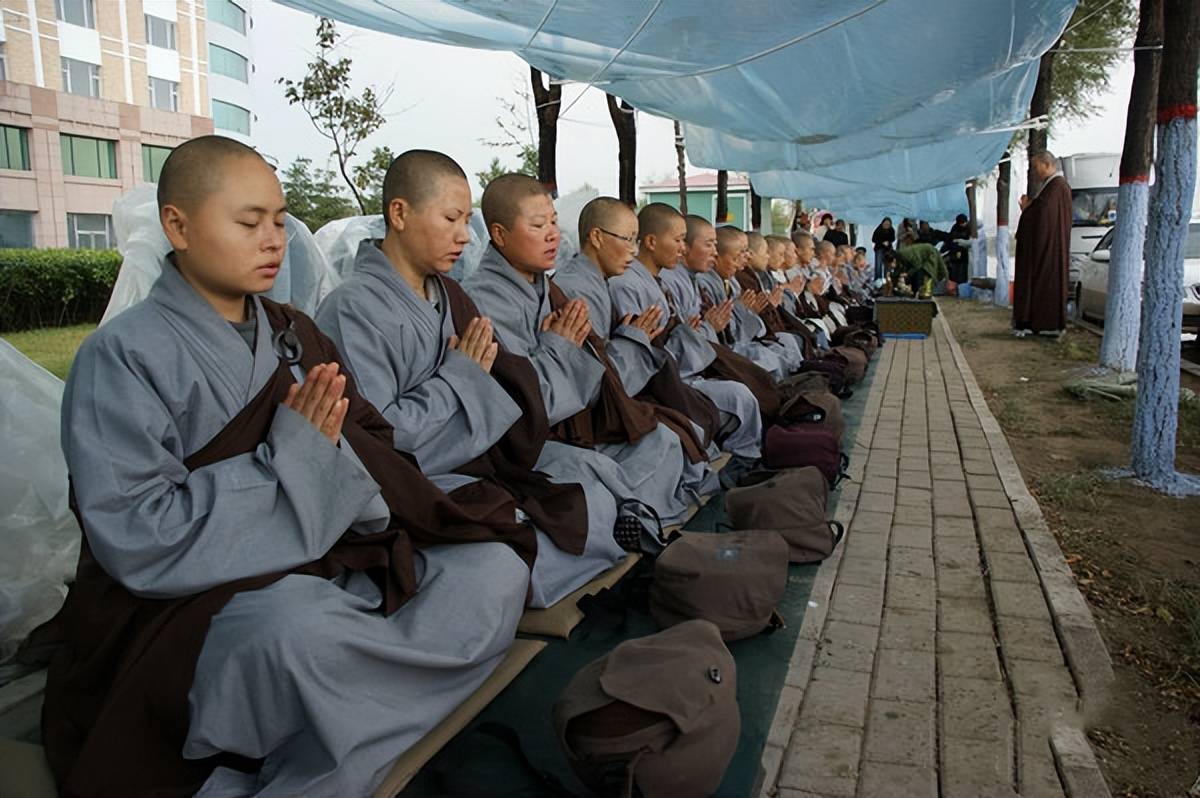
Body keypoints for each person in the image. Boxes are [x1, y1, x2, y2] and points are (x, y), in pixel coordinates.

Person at [41, 136, 534, 797]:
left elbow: (375, 446)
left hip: (331, 549)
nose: (273, 239)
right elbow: (138, 535)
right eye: (249, 222)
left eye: (278, 220)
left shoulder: (294, 333)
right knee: (299, 636)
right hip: (197, 597)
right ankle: (343, 737)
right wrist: (294, 461)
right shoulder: (122, 357)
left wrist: (338, 471)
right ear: (177, 225)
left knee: (492, 567)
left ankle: (348, 722)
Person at [314, 150, 626, 609]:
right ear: (399, 213)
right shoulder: (351, 309)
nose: (464, 236)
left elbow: (506, 388)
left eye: (466, 220)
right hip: (414, 485)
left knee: (596, 488)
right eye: (450, 219)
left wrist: (481, 378)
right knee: (510, 555)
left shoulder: (450, 295)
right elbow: (382, 442)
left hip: (478, 459)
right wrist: (461, 378)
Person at [462, 175, 710, 528]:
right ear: (499, 235)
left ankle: (641, 522)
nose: (553, 234)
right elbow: (526, 401)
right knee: (614, 469)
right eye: (538, 225)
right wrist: (563, 348)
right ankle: (638, 524)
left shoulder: (544, 288)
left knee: (668, 435)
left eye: (552, 222)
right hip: (525, 443)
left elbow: (590, 364)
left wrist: (629, 338)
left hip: (573, 417)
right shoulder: (486, 300)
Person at [552, 196, 724, 451]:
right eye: (628, 239)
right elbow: (593, 381)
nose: (634, 249)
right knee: (673, 438)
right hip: (586, 418)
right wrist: (635, 339)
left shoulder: (600, 280)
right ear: (597, 237)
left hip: (629, 389)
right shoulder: (577, 290)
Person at [613, 207, 770, 456]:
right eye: (678, 240)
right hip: (660, 384)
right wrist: (702, 331)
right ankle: (742, 457)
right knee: (739, 395)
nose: (682, 248)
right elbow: (645, 352)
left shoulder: (658, 280)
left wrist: (702, 330)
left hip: (683, 369)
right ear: (652, 242)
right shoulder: (626, 285)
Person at [1013, 150, 1072, 336]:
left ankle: (1043, 323)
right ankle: (1037, 322)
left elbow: (1042, 215)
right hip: (1049, 248)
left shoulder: (1056, 187)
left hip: (1048, 249)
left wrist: (1026, 210)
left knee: (1043, 282)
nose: (1036, 172)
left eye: (1037, 167)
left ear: (1047, 165)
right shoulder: (1053, 187)